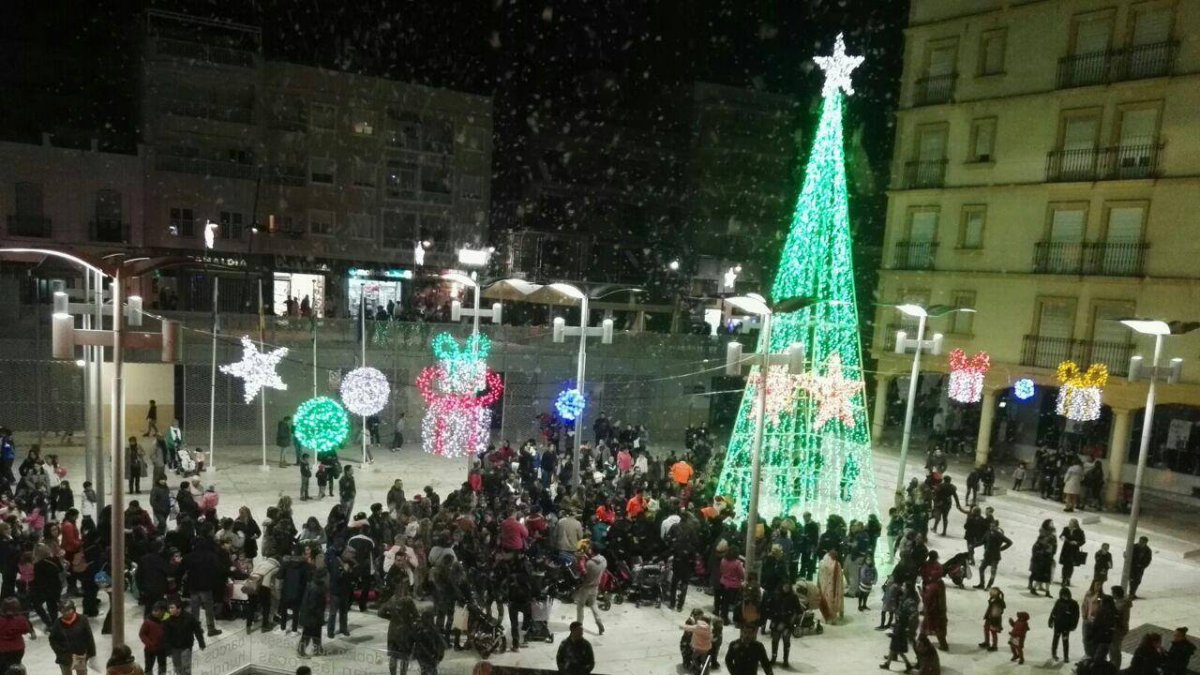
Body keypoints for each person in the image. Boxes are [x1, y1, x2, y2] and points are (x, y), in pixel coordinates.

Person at [48, 600, 95, 675]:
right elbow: (52, 640)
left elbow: (89, 637)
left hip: (79, 654)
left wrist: (91, 653)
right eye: (63, 611)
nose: (67, 613)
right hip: (64, 657)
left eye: (69, 610)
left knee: (81, 673)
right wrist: (60, 651)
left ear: (73, 609)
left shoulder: (82, 619)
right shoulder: (57, 623)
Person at [163, 599, 206, 675]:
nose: (170, 610)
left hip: (186, 646)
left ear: (179, 609)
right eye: (169, 608)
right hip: (174, 647)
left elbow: (197, 630)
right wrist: (167, 649)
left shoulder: (189, 617)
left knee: (186, 667)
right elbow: (165, 636)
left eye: (172, 608)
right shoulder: (167, 619)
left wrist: (201, 642)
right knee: (177, 667)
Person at [574, 544, 606, 635]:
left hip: (586, 587)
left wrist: (581, 561)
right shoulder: (604, 560)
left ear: (592, 551)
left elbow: (583, 573)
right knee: (593, 604)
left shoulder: (590, 563)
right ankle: (599, 622)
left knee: (580, 606)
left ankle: (579, 625)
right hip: (596, 586)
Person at [766, 583, 800, 667]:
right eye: (785, 586)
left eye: (788, 587)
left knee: (786, 641)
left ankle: (785, 660)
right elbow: (770, 607)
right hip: (777, 621)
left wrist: (793, 619)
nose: (786, 588)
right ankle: (774, 658)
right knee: (775, 640)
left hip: (788, 622)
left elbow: (798, 610)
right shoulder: (776, 595)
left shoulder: (793, 597)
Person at [974, 521, 1012, 590]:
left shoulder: (1000, 535)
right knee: (981, 569)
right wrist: (974, 545)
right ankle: (982, 584)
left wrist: (1001, 549)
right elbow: (982, 542)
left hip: (995, 557)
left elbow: (1009, 542)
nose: (991, 528)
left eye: (993, 526)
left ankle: (989, 586)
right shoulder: (987, 533)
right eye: (991, 526)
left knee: (993, 572)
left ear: (997, 527)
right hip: (987, 556)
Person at [0, 597, 34, 673]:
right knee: (16, 668)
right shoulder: (21, 619)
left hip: (2, 650)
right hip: (18, 650)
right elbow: (26, 630)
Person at [1048, 587, 1079, 662]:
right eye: (1063, 595)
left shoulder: (1073, 604)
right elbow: (1054, 612)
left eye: (1066, 595)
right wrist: (1051, 621)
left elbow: (1076, 616)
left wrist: (1073, 625)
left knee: (1065, 641)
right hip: (1058, 625)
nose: (1064, 597)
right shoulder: (1058, 602)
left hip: (1066, 626)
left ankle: (1066, 656)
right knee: (1055, 639)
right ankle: (1054, 653)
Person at [138, 600, 167, 675]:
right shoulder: (148, 622)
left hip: (162, 648)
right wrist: (149, 643)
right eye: (154, 610)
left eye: (157, 611)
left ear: (163, 611)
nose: (155, 612)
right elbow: (142, 634)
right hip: (150, 649)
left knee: (162, 666)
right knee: (148, 667)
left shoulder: (166, 620)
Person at [816, 549, 844, 624]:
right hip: (833, 587)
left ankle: (827, 616)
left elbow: (820, 575)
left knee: (826, 600)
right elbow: (839, 577)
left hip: (824, 586)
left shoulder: (822, 562)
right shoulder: (836, 564)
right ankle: (832, 616)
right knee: (831, 600)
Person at [1059, 519, 1085, 587]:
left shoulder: (1080, 531)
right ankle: (1064, 580)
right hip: (1066, 549)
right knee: (1065, 565)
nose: (1069, 524)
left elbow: (1083, 541)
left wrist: (1076, 543)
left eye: (1071, 523)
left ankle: (1068, 578)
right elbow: (1061, 536)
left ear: (1075, 524)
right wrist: (1062, 537)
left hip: (1074, 550)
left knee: (1070, 565)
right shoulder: (1066, 529)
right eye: (1069, 522)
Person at [979, 587, 1005, 652]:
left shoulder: (998, 602)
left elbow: (997, 612)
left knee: (993, 632)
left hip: (994, 619)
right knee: (986, 629)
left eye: (992, 592)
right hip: (989, 618)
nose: (990, 593)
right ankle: (987, 642)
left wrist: (993, 619)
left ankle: (994, 646)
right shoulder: (993, 600)